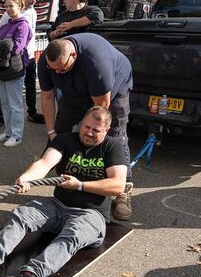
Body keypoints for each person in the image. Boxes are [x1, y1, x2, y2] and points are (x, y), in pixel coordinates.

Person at [0, 106, 127, 277]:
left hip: (91, 214)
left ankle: (31, 275)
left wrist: (79, 185)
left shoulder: (112, 147)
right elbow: (45, 163)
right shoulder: (65, 140)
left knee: (74, 233)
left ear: (106, 130)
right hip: (58, 205)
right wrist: (27, 177)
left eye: (96, 130)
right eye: (86, 126)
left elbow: (117, 185)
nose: (89, 132)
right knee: (23, 214)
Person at [38, 33, 134, 220]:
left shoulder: (96, 63)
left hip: (112, 93)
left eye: (61, 69)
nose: (56, 72)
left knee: (114, 135)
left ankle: (124, 188)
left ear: (73, 56)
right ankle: (60, 171)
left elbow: (100, 108)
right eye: (53, 69)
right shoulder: (47, 61)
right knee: (61, 129)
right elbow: (47, 98)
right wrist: (51, 133)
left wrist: (88, 133)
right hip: (75, 92)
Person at [0, 0, 43, 126]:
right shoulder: (9, 13)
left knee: (30, 84)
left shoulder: (33, 12)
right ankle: (1, 116)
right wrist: (1, 52)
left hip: (29, 55)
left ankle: (32, 112)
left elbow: (31, 33)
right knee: (7, 84)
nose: (34, 1)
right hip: (13, 58)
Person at [0, 0, 32, 147]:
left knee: (15, 104)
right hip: (2, 68)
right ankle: (8, 131)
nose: (8, 9)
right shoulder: (6, 25)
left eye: (11, 6)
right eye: (6, 6)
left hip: (14, 68)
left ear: (19, 5)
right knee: (5, 104)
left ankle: (17, 135)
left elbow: (17, 47)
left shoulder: (23, 25)